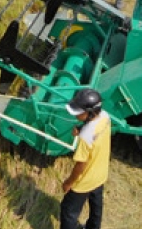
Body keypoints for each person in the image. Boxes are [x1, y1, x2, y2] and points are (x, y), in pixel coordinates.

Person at [61, 88, 111, 229]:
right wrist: (82, 129)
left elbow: (80, 166)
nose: (76, 115)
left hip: (84, 181)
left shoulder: (85, 138)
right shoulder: (105, 117)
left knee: (68, 211)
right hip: (100, 174)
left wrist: (68, 182)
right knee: (96, 206)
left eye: (79, 112)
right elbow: (95, 132)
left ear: (90, 113)